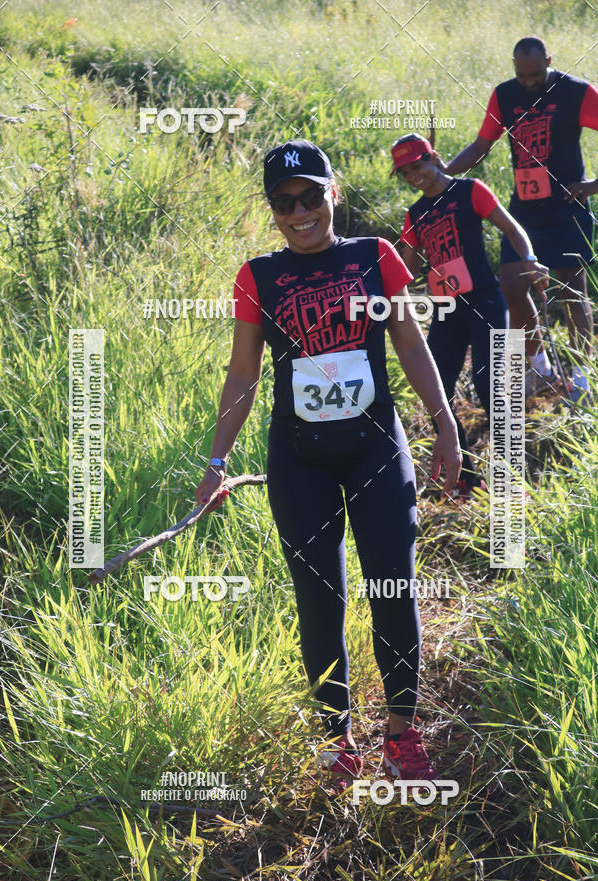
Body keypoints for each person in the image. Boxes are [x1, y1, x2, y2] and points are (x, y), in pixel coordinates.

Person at [194, 139, 461, 789]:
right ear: (273, 208)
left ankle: (402, 734)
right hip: (298, 458)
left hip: (376, 448)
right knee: (320, 599)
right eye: (284, 202)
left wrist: (447, 426)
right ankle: (336, 743)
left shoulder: (377, 257)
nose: (299, 211)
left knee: (392, 588)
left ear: (332, 193)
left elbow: (409, 343)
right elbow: (242, 375)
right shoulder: (259, 276)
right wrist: (216, 460)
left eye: (311, 196)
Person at [391, 133, 549, 499]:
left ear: (434, 157)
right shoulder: (415, 214)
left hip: (486, 301)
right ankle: (467, 478)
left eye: (418, 165)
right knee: (436, 392)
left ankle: (513, 476)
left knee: (491, 386)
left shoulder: (470, 190)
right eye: (405, 172)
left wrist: (528, 259)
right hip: (446, 310)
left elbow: (512, 228)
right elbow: (406, 268)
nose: (414, 175)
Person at [444, 35, 598, 400]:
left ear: (549, 60)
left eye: (536, 74)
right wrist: (445, 177)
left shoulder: (577, 92)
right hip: (525, 209)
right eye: (522, 75)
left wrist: (592, 186)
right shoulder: (504, 95)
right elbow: (482, 146)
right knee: (512, 286)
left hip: (566, 205)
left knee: (572, 290)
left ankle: (580, 377)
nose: (529, 82)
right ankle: (539, 366)